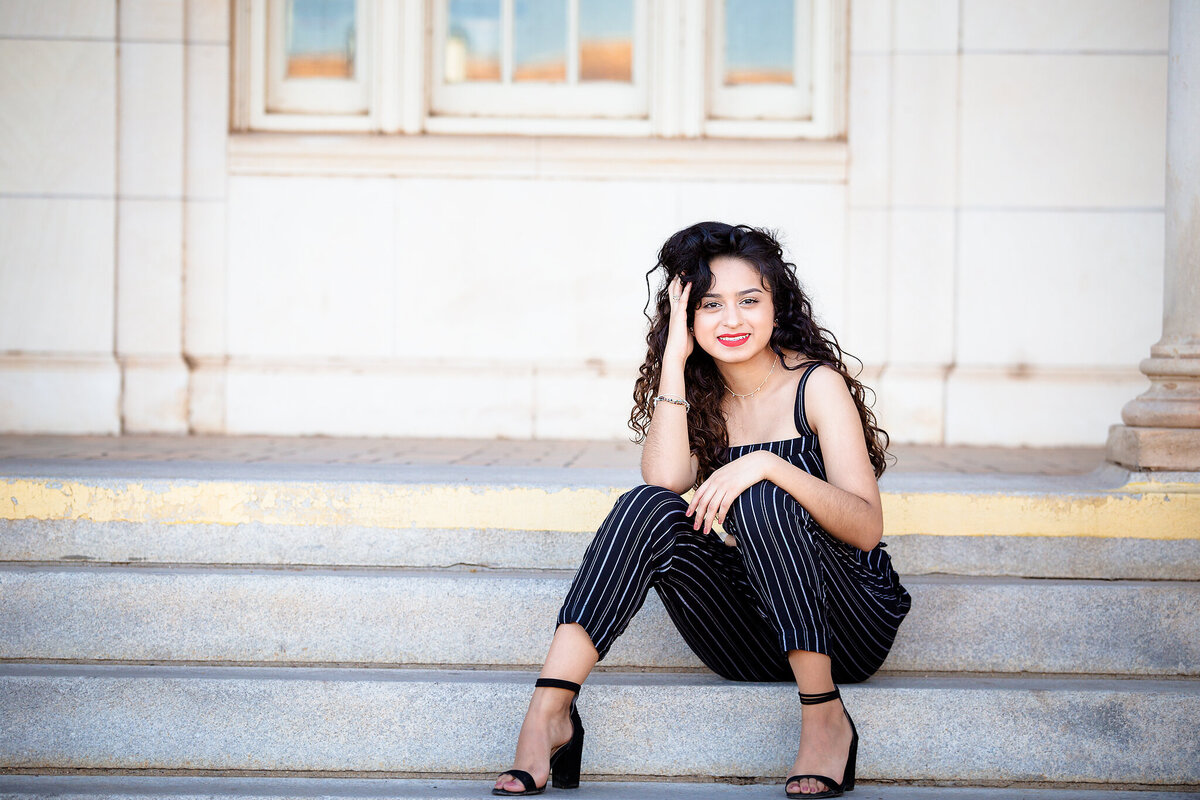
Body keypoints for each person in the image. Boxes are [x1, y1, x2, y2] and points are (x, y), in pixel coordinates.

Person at [492, 222, 912, 798]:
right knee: (646, 506)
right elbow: (665, 480)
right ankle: (549, 713)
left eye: (749, 301)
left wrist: (768, 465)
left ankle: (824, 719)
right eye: (711, 305)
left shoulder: (815, 386)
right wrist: (673, 359)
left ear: (776, 306)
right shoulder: (702, 397)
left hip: (845, 628)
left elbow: (867, 529)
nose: (732, 320)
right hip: (748, 635)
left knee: (765, 498)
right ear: (687, 316)